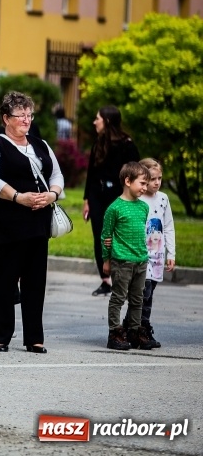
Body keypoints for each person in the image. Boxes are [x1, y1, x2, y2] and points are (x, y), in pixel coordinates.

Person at [0, 91, 64, 354]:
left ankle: (34, 337)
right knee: (6, 279)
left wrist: (52, 194)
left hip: (38, 221)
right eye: (20, 115)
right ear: (6, 118)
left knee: (35, 281)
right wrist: (17, 197)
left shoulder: (40, 144)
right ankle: (1, 336)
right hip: (10, 221)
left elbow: (57, 175)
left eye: (29, 114)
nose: (26, 119)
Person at [83, 105, 140, 296]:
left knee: (119, 237)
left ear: (106, 121)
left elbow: (136, 173)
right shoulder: (98, 142)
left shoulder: (128, 144)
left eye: (97, 118)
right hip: (97, 196)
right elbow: (91, 172)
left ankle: (122, 279)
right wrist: (86, 200)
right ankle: (105, 280)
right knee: (100, 236)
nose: (94, 122)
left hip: (118, 197)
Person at [101, 162, 151, 351]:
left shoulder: (144, 207)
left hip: (140, 260)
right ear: (128, 181)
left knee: (138, 299)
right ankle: (115, 332)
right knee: (118, 297)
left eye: (147, 184)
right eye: (142, 183)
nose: (145, 188)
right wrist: (106, 260)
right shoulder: (114, 208)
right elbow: (106, 236)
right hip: (122, 261)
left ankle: (134, 332)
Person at [137, 158, 174, 348]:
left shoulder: (163, 198)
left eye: (159, 178)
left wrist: (171, 254)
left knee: (149, 293)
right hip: (141, 255)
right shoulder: (138, 199)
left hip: (157, 256)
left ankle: (135, 326)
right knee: (144, 291)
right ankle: (141, 328)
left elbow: (168, 227)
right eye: (152, 179)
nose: (157, 183)